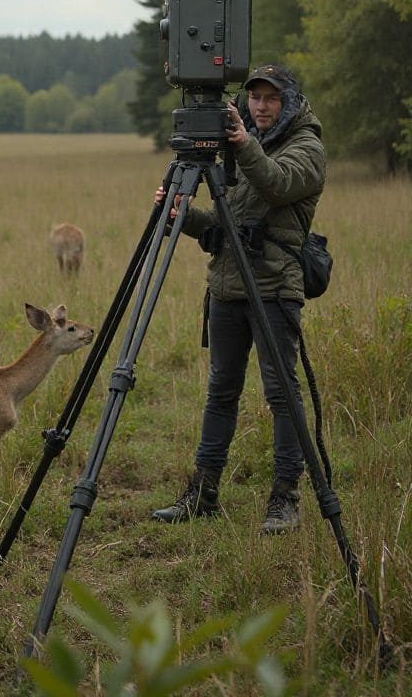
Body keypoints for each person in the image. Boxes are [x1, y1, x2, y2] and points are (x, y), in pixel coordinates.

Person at [151, 63, 326, 535]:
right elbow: (222, 222)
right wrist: (180, 214)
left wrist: (243, 144)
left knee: (282, 394)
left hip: (273, 287)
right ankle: (202, 494)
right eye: (255, 98)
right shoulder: (241, 143)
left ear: (288, 100)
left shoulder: (306, 146)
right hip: (227, 284)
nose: (261, 107)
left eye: (271, 98)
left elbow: (277, 184)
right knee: (221, 392)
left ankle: (284, 499)